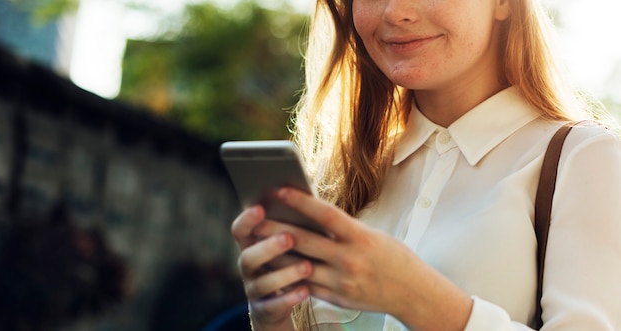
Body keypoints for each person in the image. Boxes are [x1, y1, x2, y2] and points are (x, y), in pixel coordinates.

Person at [231, 0, 621, 330]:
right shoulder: (342, 177)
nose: (396, 11)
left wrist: (418, 298)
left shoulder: (584, 158)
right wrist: (274, 319)